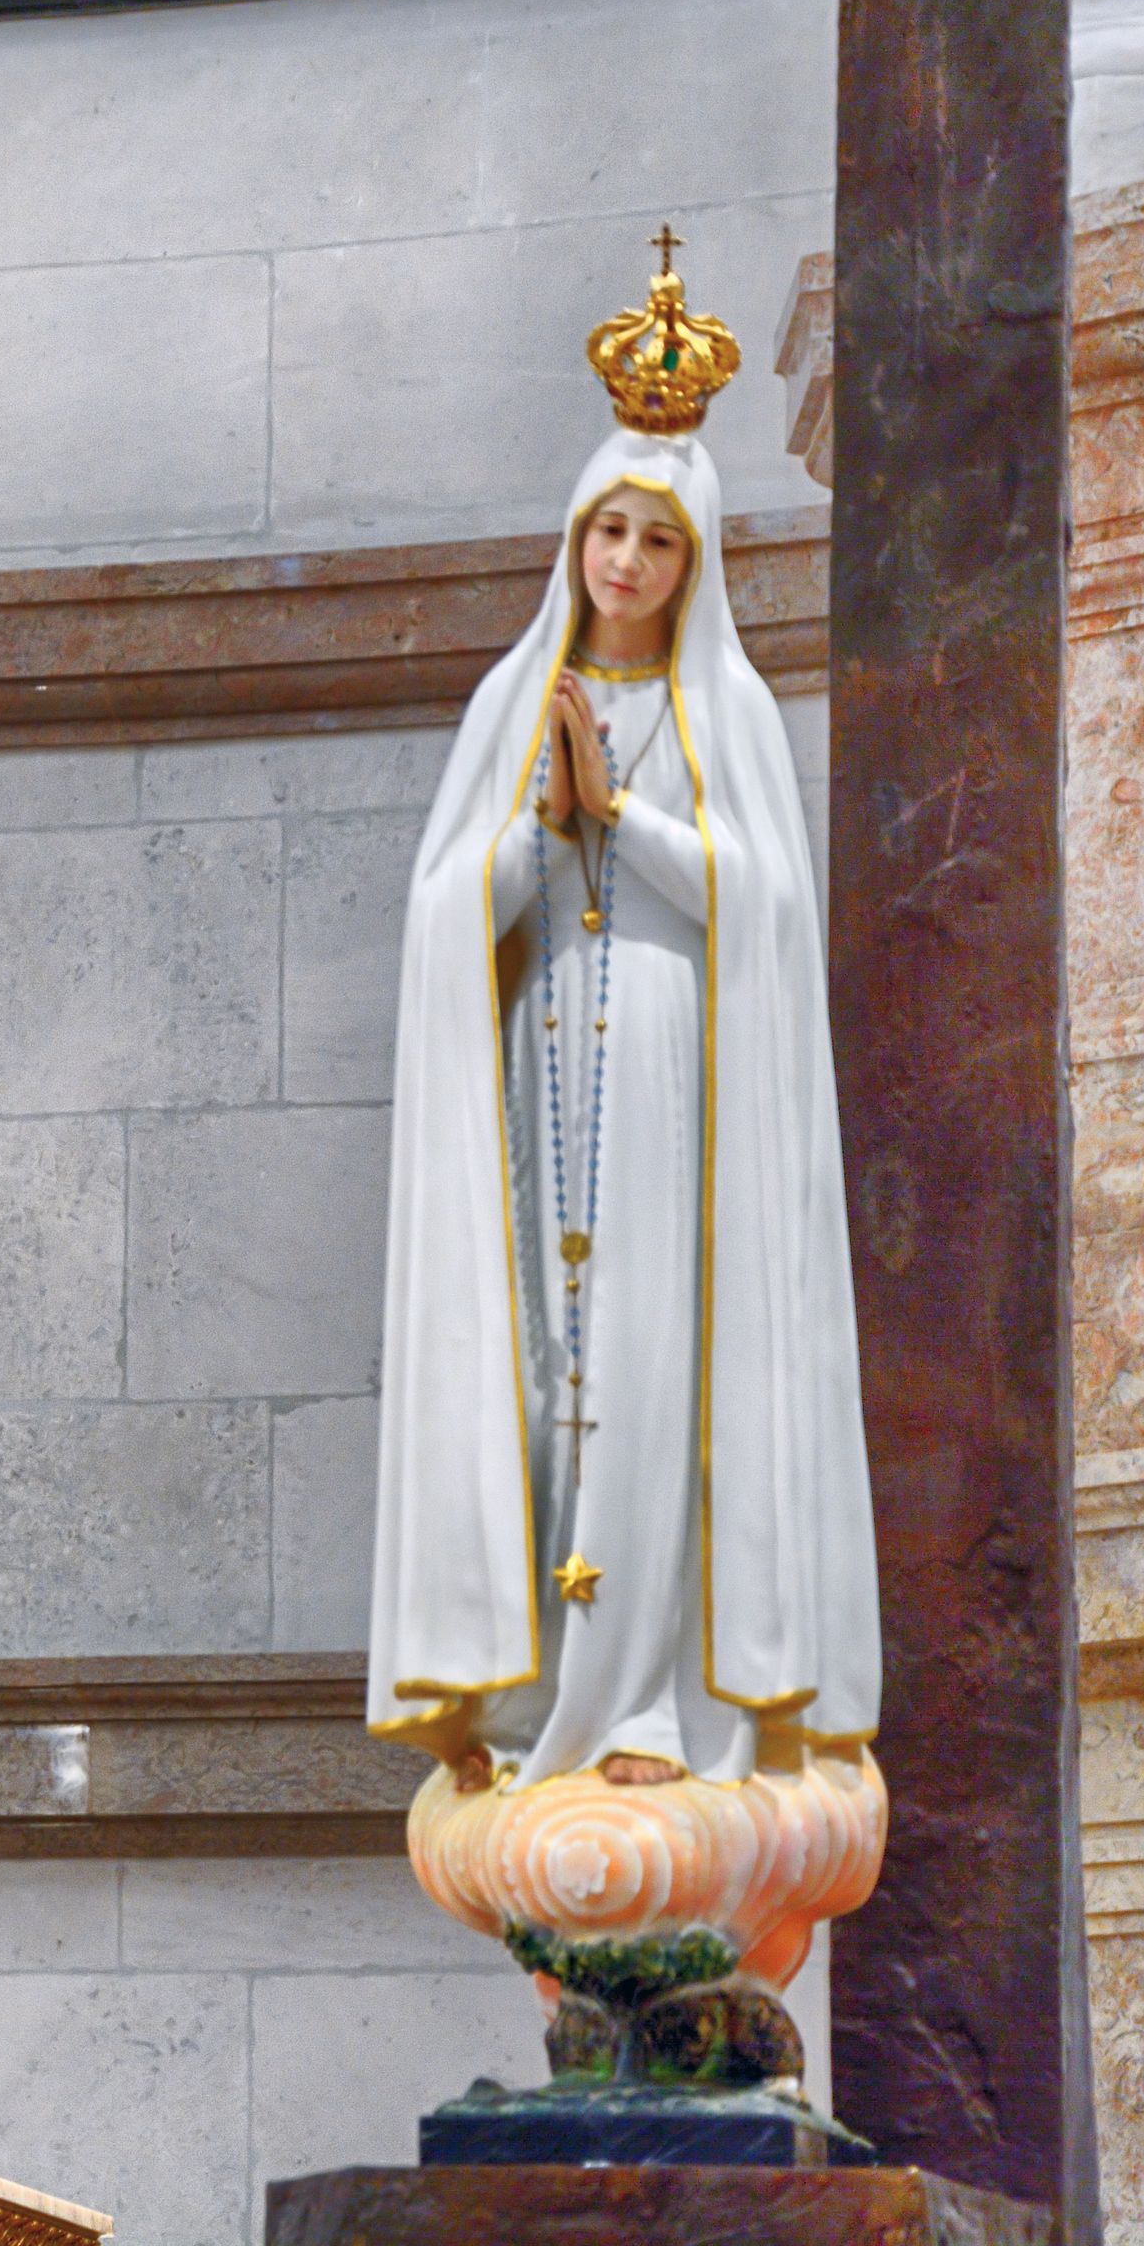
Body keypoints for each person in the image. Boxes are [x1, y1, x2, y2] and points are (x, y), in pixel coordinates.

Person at [366, 243, 879, 1795]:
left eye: (660, 539)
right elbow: (443, 915)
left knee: (656, 1372)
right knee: (547, 1374)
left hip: (671, 1080)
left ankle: (651, 1699)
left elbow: (769, 908)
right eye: (610, 530)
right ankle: (536, 1699)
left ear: (696, 561)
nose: (629, 563)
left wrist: (627, 818)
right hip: (540, 1083)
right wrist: (540, 829)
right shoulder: (509, 703)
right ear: (574, 538)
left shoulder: (729, 711)